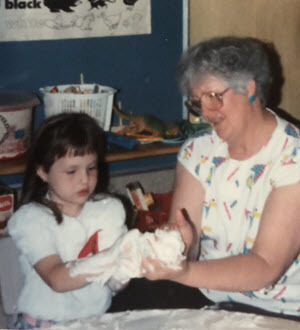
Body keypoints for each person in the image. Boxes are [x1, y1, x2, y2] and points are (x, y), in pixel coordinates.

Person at [143, 36, 300, 318]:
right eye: (197, 102)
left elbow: (265, 267)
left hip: (281, 310)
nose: (205, 112)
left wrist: (185, 270)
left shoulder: (293, 156)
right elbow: (185, 250)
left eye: (214, 96)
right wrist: (177, 245)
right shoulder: (198, 151)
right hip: (209, 298)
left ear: (250, 88)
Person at [8, 113, 127, 329]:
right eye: (71, 171)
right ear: (43, 172)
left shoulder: (108, 211)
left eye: (91, 167)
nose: (84, 179)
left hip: (95, 323)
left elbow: (115, 283)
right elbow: (57, 279)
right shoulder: (32, 220)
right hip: (44, 324)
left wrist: (131, 264)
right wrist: (110, 258)